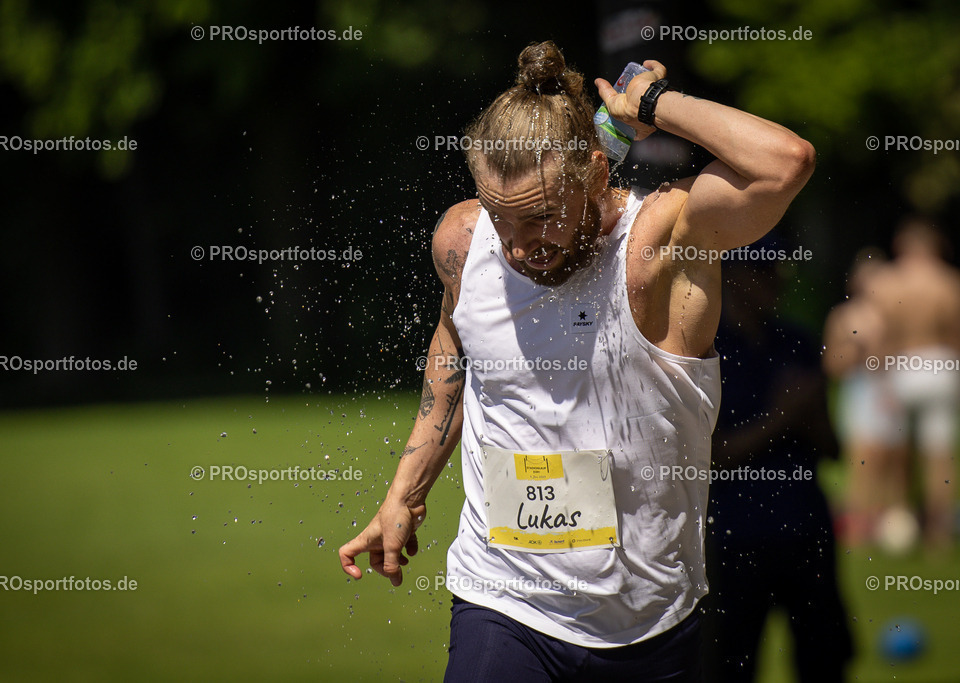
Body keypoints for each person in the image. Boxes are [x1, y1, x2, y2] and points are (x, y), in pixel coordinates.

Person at [338, 40, 815, 681]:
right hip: (502, 601)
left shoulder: (661, 246)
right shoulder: (462, 238)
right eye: (501, 220)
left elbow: (784, 163)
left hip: (650, 621)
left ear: (596, 173)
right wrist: (404, 494)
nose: (517, 248)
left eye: (539, 219)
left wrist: (652, 104)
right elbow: (455, 348)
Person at [704, 256, 853, 682]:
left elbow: (834, 449)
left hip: (806, 529)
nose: (776, 280)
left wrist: (810, 415)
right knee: (731, 661)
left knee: (824, 658)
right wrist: (781, 418)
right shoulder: (704, 350)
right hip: (735, 537)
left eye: (779, 269)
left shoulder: (798, 342)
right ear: (731, 276)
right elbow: (711, 457)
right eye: (763, 270)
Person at [867, 219, 960, 549]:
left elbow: (880, 336)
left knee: (898, 454)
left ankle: (902, 521)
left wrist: (880, 379)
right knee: (940, 456)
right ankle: (939, 534)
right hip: (941, 366)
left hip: (902, 367)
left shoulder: (890, 282)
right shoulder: (948, 282)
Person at [822, 249, 907, 546]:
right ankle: (857, 531)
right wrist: (855, 350)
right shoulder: (843, 317)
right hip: (859, 389)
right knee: (861, 460)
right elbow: (832, 363)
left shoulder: (892, 316)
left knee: (892, 461)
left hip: (888, 388)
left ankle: (886, 525)